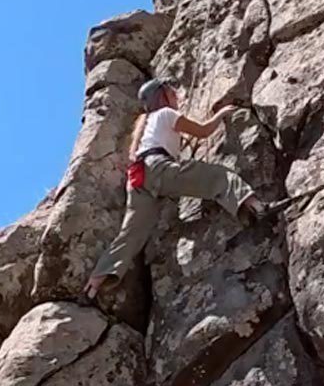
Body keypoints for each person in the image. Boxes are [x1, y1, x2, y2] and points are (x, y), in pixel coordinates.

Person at [83, 78, 273, 299]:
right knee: (219, 177)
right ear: (162, 96)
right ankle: (256, 207)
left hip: (138, 178)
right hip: (159, 167)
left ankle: (96, 282)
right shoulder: (166, 114)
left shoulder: (146, 127)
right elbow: (203, 131)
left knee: (132, 233)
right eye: (172, 93)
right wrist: (221, 114)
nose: (177, 97)